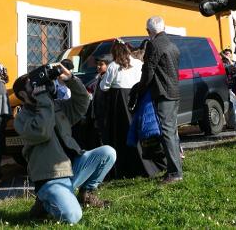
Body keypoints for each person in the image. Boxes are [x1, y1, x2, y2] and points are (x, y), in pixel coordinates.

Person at [13, 64, 116, 224]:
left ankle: (86, 195)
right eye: (32, 85)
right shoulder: (21, 119)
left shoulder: (57, 106)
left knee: (107, 153)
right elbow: (43, 132)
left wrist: (71, 80)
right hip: (51, 177)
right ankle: (44, 202)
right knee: (73, 217)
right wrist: (43, 100)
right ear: (22, 94)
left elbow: (82, 103)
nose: (40, 87)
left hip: (74, 166)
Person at [100, 39, 163, 178]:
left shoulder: (113, 66)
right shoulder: (138, 63)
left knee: (123, 134)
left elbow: (104, 87)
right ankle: (147, 165)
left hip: (121, 103)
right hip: (138, 98)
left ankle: (126, 168)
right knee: (140, 131)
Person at [135, 16, 182, 183]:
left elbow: (148, 70)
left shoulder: (154, 45)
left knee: (167, 132)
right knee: (172, 131)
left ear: (149, 31)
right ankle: (174, 169)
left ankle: (175, 173)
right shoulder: (172, 44)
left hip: (163, 92)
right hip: (174, 91)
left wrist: (139, 89)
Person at [220, 48, 236, 131]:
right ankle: (230, 124)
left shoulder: (234, 63)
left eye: (229, 53)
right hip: (226, 88)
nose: (227, 55)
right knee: (228, 107)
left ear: (231, 55)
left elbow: (234, 70)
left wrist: (228, 60)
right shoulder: (222, 65)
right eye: (226, 53)